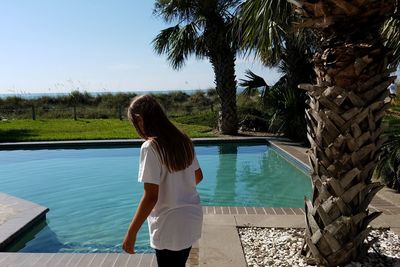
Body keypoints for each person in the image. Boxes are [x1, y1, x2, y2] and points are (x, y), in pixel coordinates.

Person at [122, 95, 203, 267]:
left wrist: (131, 233)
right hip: (192, 219)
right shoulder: (184, 140)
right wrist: (179, 188)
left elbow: (151, 196)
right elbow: (198, 176)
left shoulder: (151, 147)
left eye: (135, 124)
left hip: (169, 225)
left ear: (140, 119)